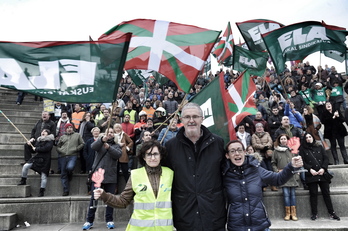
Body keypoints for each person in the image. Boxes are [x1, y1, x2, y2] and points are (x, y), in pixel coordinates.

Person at [164, 102, 226, 230]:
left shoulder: (218, 143)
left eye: (195, 116)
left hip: (213, 215)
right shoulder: (170, 146)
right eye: (187, 117)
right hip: (185, 216)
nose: (191, 120)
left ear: (202, 119)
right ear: (182, 120)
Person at [93, 140, 174, 231]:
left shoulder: (170, 174)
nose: (152, 158)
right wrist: (104, 195)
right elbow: (123, 201)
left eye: (155, 154)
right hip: (139, 228)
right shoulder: (135, 175)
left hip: (164, 228)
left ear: (161, 156)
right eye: (149, 154)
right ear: (144, 157)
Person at [223, 140, 303, 231]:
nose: (237, 153)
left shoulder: (256, 170)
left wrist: (291, 166)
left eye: (239, 150)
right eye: (232, 151)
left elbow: (278, 179)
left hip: (260, 225)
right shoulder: (224, 175)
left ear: (245, 152)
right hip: (236, 227)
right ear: (227, 155)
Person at [82, 127, 122, 230]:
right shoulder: (99, 144)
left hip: (110, 176)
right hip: (98, 176)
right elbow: (93, 147)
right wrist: (101, 140)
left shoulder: (116, 146)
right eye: (108, 132)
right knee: (94, 199)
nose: (110, 134)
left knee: (110, 200)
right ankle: (89, 221)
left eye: (112, 132)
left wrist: (109, 147)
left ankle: (109, 220)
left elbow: (117, 155)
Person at [299, 132, 340, 221]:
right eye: (306, 137)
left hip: (322, 173)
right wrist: (310, 169)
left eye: (310, 137)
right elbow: (303, 161)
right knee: (313, 194)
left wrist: (323, 168)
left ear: (313, 138)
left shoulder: (319, 147)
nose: (308, 139)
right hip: (311, 174)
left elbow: (326, 158)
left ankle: (332, 213)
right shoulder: (302, 149)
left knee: (326, 193)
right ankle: (314, 213)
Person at [18, 129, 55, 197]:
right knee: (26, 166)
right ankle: (23, 180)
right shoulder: (38, 140)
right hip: (37, 159)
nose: (43, 132)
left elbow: (46, 148)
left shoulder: (50, 141)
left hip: (45, 160)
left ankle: (42, 191)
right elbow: (33, 151)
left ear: (48, 134)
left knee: (43, 176)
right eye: (42, 131)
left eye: (45, 131)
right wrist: (30, 145)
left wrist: (37, 149)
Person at [272, 134, 299, 221]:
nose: (283, 140)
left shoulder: (292, 150)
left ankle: (293, 213)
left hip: (292, 174)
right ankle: (287, 213)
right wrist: (277, 171)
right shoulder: (276, 151)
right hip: (283, 176)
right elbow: (273, 163)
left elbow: (297, 160)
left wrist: (297, 169)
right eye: (282, 139)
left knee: (293, 195)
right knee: (286, 195)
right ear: (279, 141)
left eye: (285, 139)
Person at [56, 123, 85, 196]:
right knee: (63, 174)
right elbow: (58, 146)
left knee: (70, 167)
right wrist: (60, 150)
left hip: (72, 155)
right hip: (63, 156)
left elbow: (82, 144)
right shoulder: (62, 137)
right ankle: (65, 190)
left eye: (70, 127)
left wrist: (76, 149)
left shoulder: (77, 135)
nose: (69, 129)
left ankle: (70, 173)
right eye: (68, 128)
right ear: (65, 129)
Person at [251, 122, 277, 191]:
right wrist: (263, 147)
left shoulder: (267, 134)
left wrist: (266, 146)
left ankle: (273, 185)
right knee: (262, 170)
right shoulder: (253, 135)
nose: (259, 128)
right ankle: (264, 185)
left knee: (270, 169)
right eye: (258, 127)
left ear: (263, 128)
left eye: (261, 127)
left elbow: (270, 142)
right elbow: (254, 144)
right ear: (256, 129)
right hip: (259, 155)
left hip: (268, 154)